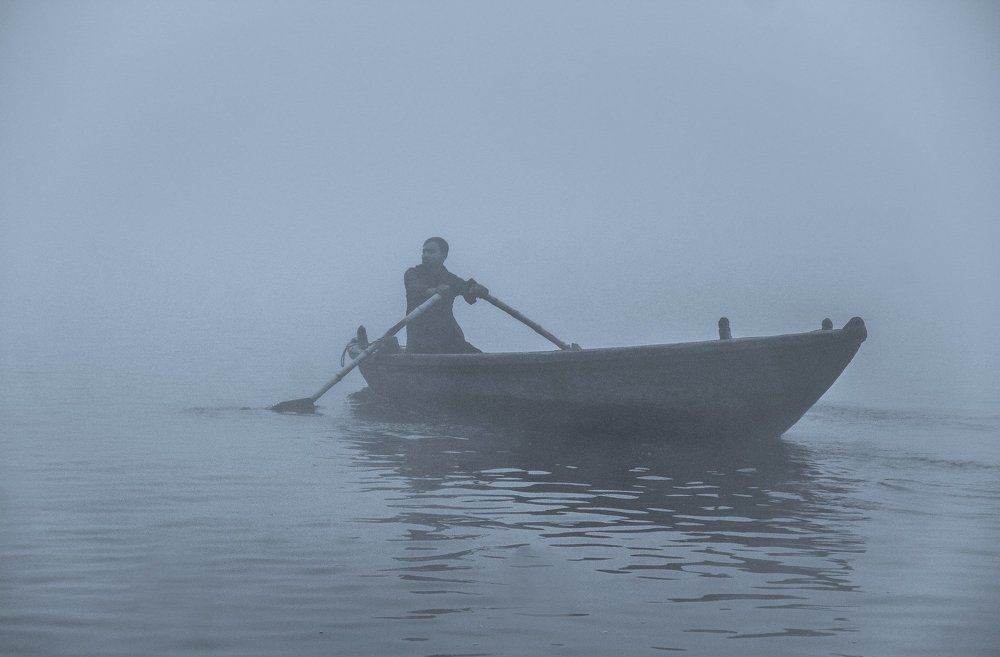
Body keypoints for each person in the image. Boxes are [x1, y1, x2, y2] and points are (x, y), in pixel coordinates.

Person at [404, 237, 489, 354]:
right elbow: (416, 289)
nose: (425, 255)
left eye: (431, 252)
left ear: (444, 255)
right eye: (424, 251)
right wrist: (435, 291)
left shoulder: (449, 278)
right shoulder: (412, 274)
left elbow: (466, 288)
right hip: (421, 341)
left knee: (480, 358)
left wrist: (476, 288)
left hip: (448, 339)